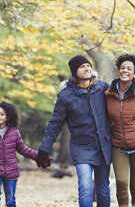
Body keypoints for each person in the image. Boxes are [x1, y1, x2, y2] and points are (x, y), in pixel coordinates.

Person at [35, 55, 112, 207]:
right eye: (82, 66)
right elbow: (55, 123)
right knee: (85, 187)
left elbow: (119, 107)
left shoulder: (102, 87)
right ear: (74, 72)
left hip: (103, 146)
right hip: (81, 147)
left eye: (88, 66)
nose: (87, 68)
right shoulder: (65, 96)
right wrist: (44, 148)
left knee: (103, 190)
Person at [105, 54, 135, 207]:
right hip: (118, 146)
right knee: (121, 183)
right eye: (122, 68)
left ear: (134, 74)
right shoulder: (108, 94)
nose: (125, 71)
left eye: (129, 69)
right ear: (118, 71)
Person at [0, 101, 38, 207]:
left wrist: (39, 156)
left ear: (8, 117)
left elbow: (23, 149)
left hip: (11, 171)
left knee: (10, 201)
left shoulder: (14, 132)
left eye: (2, 114)